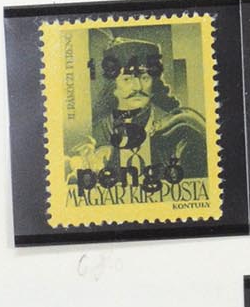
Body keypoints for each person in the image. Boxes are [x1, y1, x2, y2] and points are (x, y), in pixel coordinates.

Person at [75, 32, 207, 189]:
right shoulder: (95, 134)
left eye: (145, 78)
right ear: (112, 86)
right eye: (127, 79)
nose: (138, 87)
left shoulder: (179, 128)